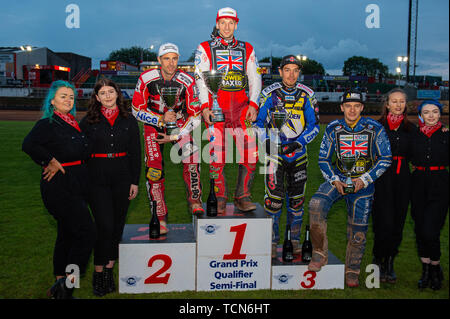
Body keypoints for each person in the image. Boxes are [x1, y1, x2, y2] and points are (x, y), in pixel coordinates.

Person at [307, 90, 392, 287]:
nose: (352, 109)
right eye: (348, 105)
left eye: (356, 106)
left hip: (363, 184)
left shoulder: (375, 128)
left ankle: (352, 270)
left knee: (358, 231)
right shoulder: (333, 128)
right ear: (342, 107)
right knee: (316, 204)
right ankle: (320, 253)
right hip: (338, 180)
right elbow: (323, 159)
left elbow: (386, 158)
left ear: (362, 108)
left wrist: (365, 179)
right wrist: (335, 180)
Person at [22, 80, 96, 299]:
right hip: (60, 188)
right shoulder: (49, 123)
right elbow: (28, 145)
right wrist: (50, 160)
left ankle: (59, 284)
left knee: (67, 235)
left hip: (77, 185)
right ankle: (68, 284)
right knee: (87, 233)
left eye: (71, 96)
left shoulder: (72, 122)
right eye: (63, 96)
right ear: (52, 100)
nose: (68, 100)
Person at [194, 7, 262, 213]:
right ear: (217, 24)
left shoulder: (247, 48)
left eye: (230, 23)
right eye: (222, 22)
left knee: (251, 153)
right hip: (217, 109)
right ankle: (220, 196)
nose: (226, 26)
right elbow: (200, 79)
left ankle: (242, 196)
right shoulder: (204, 47)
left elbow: (255, 78)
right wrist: (205, 106)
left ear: (236, 25)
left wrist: (253, 103)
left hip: (242, 110)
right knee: (217, 155)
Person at [132, 43, 203, 234]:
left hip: (179, 125)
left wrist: (177, 134)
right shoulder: (146, 78)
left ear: (178, 60)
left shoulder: (187, 80)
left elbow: (195, 116)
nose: (171, 63)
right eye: (166, 58)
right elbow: (136, 110)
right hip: (153, 125)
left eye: (174, 58)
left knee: (193, 156)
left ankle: (194, 200)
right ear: (159, 60)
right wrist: (160, 119)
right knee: (154, 170)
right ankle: (160, 216)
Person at [80, 78, 141, 297]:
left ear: (117, 94)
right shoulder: (88, 121)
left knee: (116, 227)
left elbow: (136, 153)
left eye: (110, 91)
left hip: (123, 179)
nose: (107, 96)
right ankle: (98, 274)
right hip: (97, 179)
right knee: (103, 226)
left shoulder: (129, 120)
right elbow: (80, 153)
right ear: (96, 97)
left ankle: (108, 272)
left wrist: (135, 181)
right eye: (102, 93)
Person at [255, 55, 319, 258]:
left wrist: (299, 142)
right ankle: (272, 242)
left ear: (299, 73)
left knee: (297, 201)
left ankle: (293, 242)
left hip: (298, 155)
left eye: (295, 70)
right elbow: (257, 123)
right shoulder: (269, 94)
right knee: (273, 200)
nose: (291, 74)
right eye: (287, 70)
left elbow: (314, 126)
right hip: (274, 155)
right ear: (280, 72)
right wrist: (267, 141)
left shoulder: (307, 95)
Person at [371, 88, 416, 283]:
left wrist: (443, 131)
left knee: (397, 223)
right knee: (383, 223)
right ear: (387, 104)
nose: (398, 105)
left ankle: (390, 262)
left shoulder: (412, 129)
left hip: (403, 179)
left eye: (401, 101)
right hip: (381, 179)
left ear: (405, 105)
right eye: (394, 101)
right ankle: (378, 258)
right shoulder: (376, 126)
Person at [410, 100, 448, 291]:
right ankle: (426, 270)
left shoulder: (446, 135)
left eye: (435, 112)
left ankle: (435, 268)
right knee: (419, 231)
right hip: (417, 185)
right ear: (421, 115)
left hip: (440, 185)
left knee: (430, 231)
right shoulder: (414, 135)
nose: (431, 115)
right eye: (427, 112)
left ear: (440, 114)